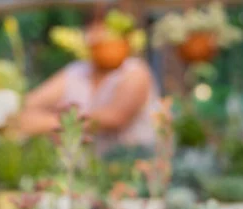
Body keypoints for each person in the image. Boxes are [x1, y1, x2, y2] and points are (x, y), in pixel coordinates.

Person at [19, 13, 160, 155]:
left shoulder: (134, 70)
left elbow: (115, 117)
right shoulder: (77, 70)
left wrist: (50, 123)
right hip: (90, 169)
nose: (99, 38)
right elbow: (28, 104)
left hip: (135, 163)